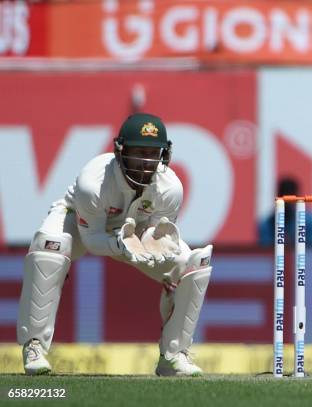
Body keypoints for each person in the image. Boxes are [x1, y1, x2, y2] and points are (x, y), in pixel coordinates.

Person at [17, 113, 214, 376]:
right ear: (121, 151)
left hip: (135, 234)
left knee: (193, 266)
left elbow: (158, 232)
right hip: (79, 222)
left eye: (153, 153)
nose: (146, 162)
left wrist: (156, 247)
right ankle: (35, 347)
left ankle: (173, 356)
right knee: (50, 247)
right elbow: (91, 240)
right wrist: (122, 245)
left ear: (164, 155)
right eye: (139, 152)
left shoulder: (170, 188)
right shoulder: (94, 183)